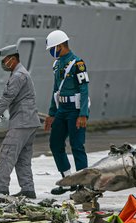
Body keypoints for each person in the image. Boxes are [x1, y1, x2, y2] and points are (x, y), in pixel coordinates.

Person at [0, 44, 41, 199]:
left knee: (6, 154)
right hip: (29, 122)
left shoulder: (18, 76)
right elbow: (12, 96)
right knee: (22, 158)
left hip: (21, 122)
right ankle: (28, 189)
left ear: (12, 59)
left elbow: (8, 97)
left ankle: (1, 190)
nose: (3, 64)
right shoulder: (21, 73)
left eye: (4, 60)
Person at [43, 30, 90, 195]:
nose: (51, 52)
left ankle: (84, 185)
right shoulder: (57, 64)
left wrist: (83, 114)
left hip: (75, 111)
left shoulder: (78, 64)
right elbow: (55, 91)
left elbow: (84, 89)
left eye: (52, 48)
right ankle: (68, 179)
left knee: (77, 146)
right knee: (55, 144)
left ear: (61, 46)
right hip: (61, 110)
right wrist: (51, 114)